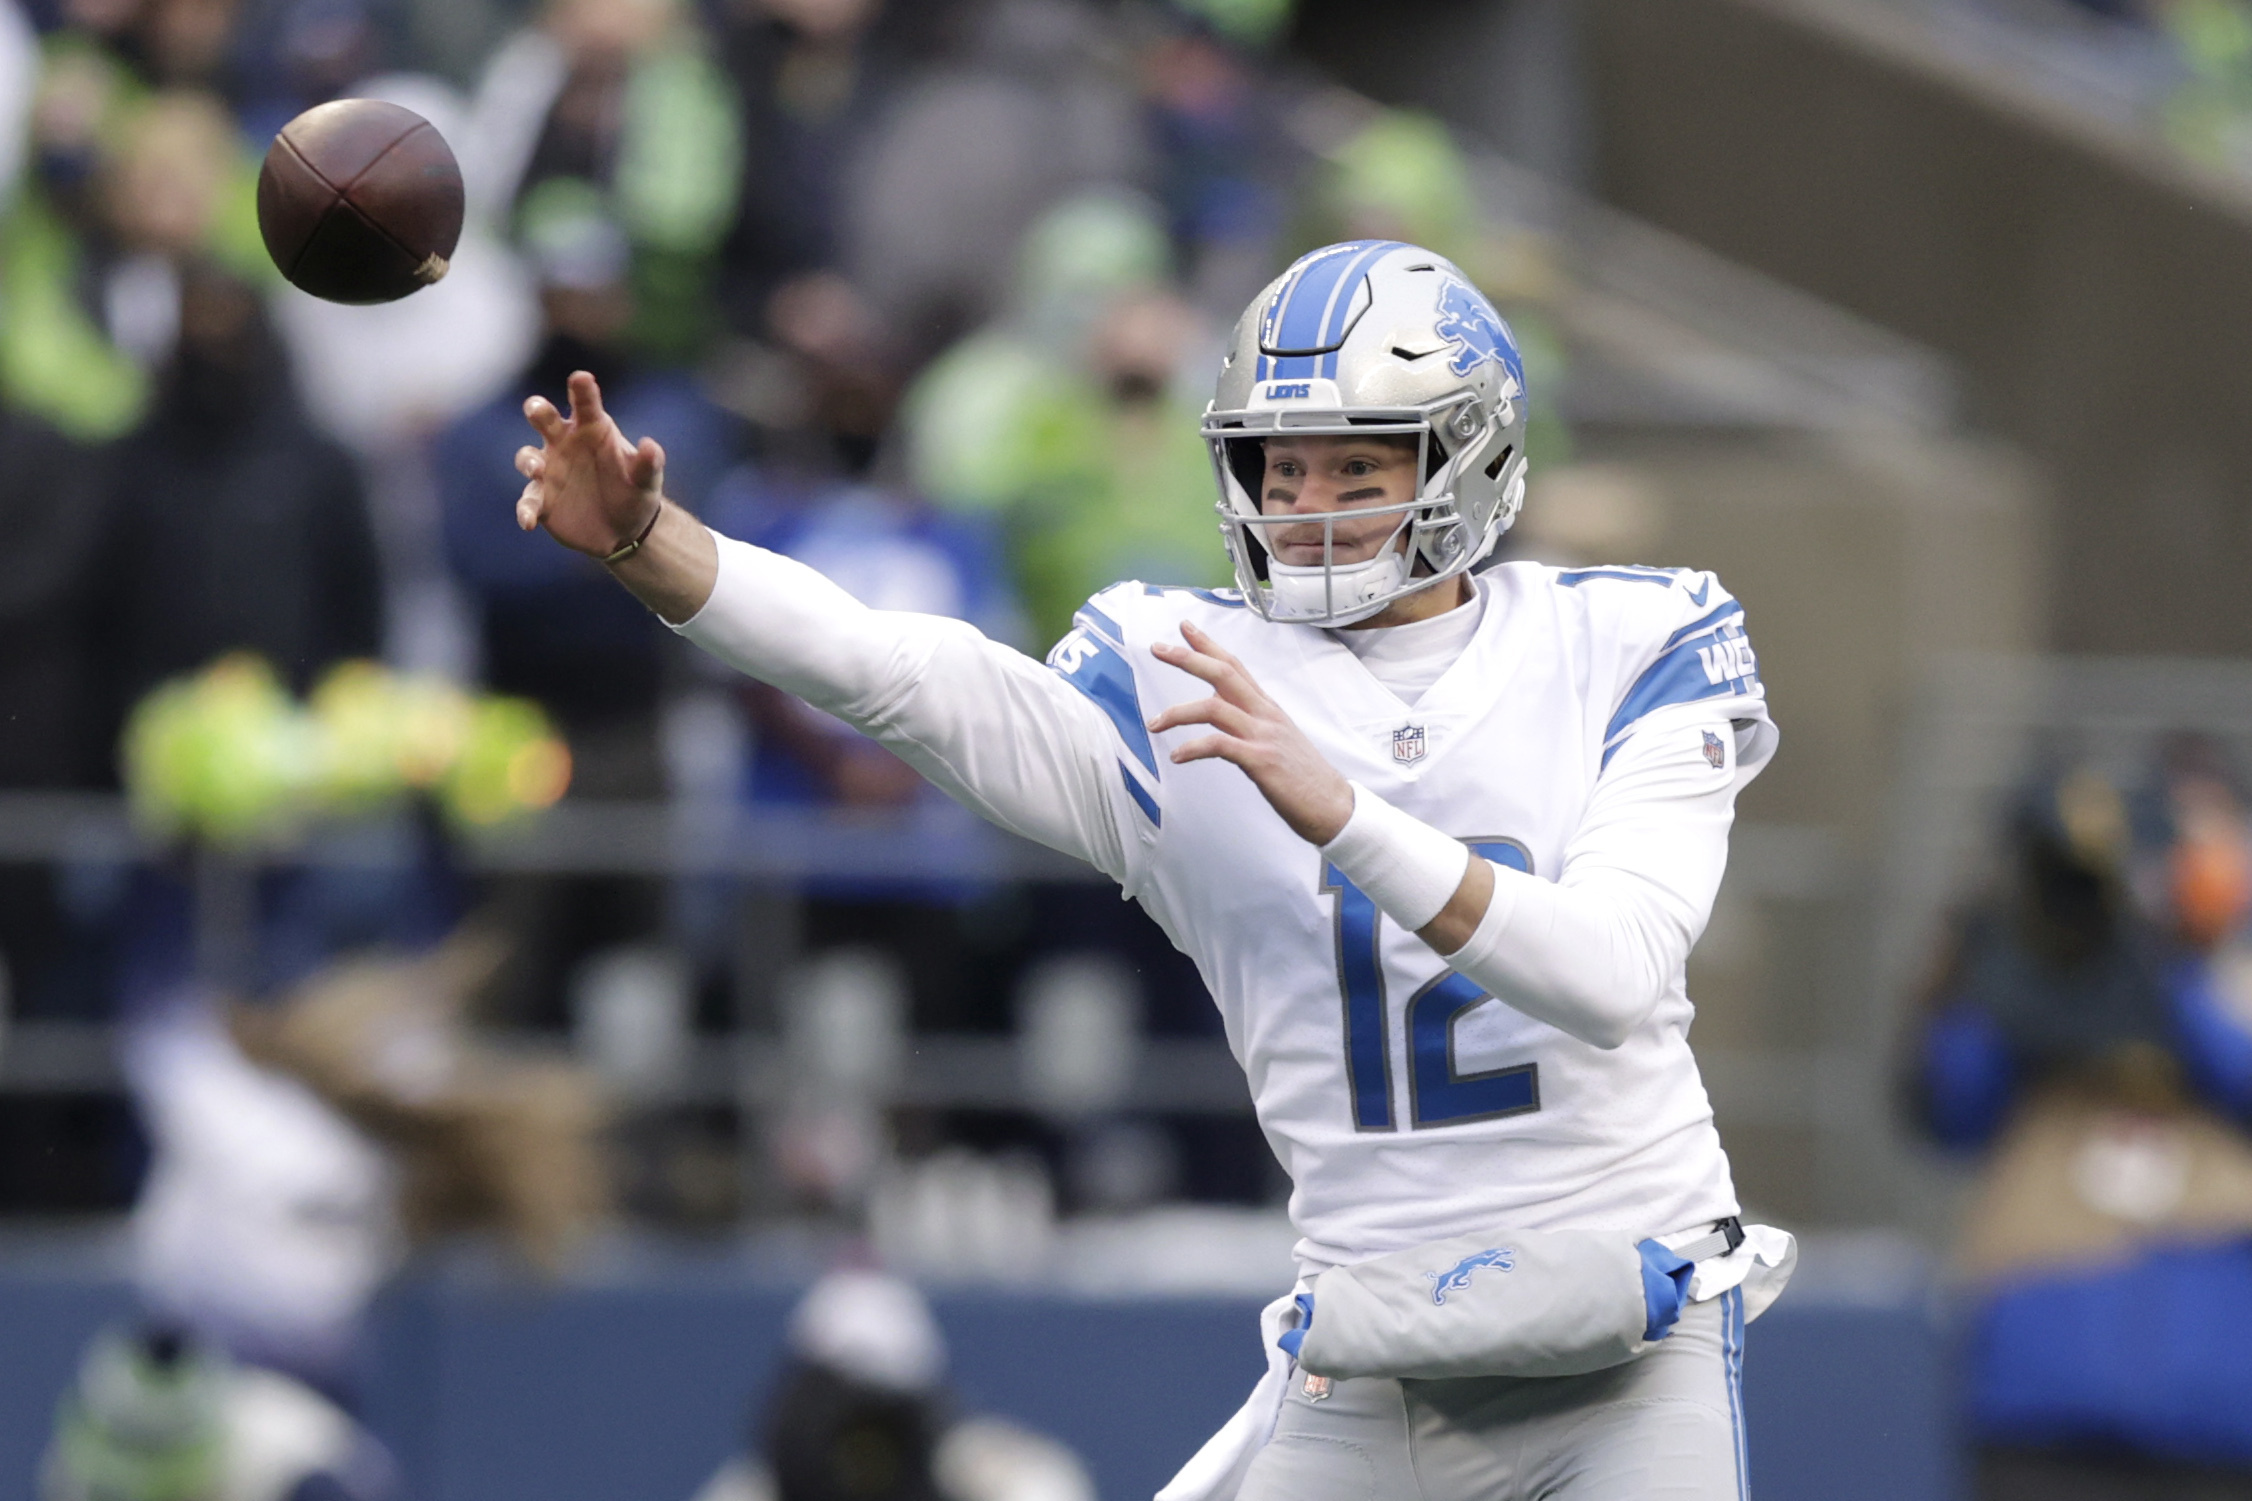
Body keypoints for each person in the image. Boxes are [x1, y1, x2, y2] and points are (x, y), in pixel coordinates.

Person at [510, 238, 1792, 1501]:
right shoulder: (1182, 672)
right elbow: (898, 673)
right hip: (1372, 1343)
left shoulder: (1627, 640)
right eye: (1278, 468)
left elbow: (1612, 973)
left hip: (1629, 1336)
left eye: (1357, 464)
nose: (1305, 507)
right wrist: (651, 542)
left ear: (1470, 457)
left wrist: (1342, 813)